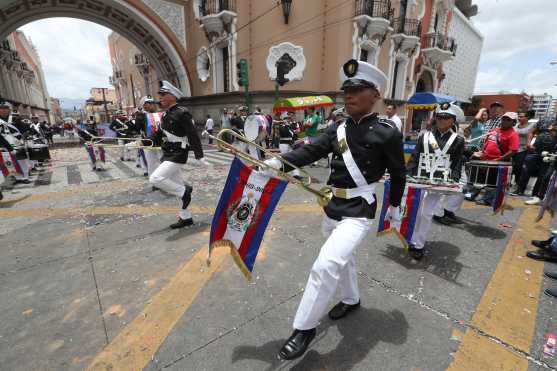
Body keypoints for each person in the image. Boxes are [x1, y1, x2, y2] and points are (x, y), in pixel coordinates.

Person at [264, 59, 405, 360]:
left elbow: (399, 172)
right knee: (345, 260)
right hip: (331, 205)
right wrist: (277, 163)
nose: (349, 96)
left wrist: (394, 206)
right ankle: (352, 299)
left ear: (376, 95)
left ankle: (304, 327)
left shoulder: (387, 131)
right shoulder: (337, 128)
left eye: (357, 90)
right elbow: (310, 150)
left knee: (326, 264)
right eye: (346, 91)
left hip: (359, 209)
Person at [149, 81, 210, 229]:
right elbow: (158, 135)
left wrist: (199, 155)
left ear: (173, 96)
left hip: (178, 154)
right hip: (169, 153)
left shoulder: (182, 113)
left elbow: (192, 134)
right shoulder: (166, 114)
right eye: (161, 95)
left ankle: (185, 191)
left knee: (155, 178)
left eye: (163, 94)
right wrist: (140, 142)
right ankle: (186, 217)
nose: (161, 97)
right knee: (176, 186)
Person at [406, 103, 465, 258]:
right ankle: (410, 238)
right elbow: (415, 156)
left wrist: (454, 179)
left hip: (439, 180)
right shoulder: (424, 135)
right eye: (439, 117)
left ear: (453, 120)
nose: (441, 120)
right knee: (414, 210)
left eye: (446, 118)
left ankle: (418, 245)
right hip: (420, 178)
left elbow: (458, 162)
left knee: (426, 213)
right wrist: (408, 173)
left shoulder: (458, 139)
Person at [469, 112, 520, 205]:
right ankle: (473, 194)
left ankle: (487, 200)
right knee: (480, 179)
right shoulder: (494, 130)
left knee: (492, 182)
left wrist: (500, 159)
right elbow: (487, 142)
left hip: (498, 162)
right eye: (504, 119)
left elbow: (513, 150)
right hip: (485, 159)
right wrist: (482, 152)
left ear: (514, 122)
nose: (504, 121)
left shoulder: (513, 134)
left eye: (508, 120)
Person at [134, 96, 161, 178]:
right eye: (148, 104)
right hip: (147, 141)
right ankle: (154, 181)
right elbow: (137, 129)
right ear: (144, 106)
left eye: (152, 103)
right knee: (151, 163)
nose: (151, 105)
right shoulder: (142, 116)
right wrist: (138, 117)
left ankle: (164, 179)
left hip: (160, 142)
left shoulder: (160, 114)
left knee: (162, 162)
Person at [511, 110, 536, 193]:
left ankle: (518, 186)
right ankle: (509, 184)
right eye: (519, 116)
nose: (519, 118)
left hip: (523, 150)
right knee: (512, 168)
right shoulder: (515, 126)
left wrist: (529, 145)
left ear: (527, 117)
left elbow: (533, 136)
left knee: (519, 168)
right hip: (513, 149)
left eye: (522, 116)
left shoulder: (532, 126)